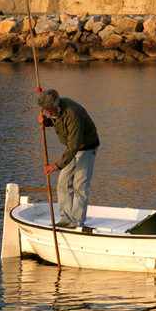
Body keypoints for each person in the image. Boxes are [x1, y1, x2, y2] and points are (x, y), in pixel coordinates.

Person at [39, 89, 100, 231]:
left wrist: (56, 165)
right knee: (63, 183)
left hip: (86, 148)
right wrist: (47, 121)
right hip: (72, 149)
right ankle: (66, 218)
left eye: (50, 110)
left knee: (80, 185)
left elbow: (74, 144)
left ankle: (77, 221)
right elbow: (59, 122)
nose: (49, 112)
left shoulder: (72, 113)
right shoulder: (56, 110)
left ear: (56, 104)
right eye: (46, 111)